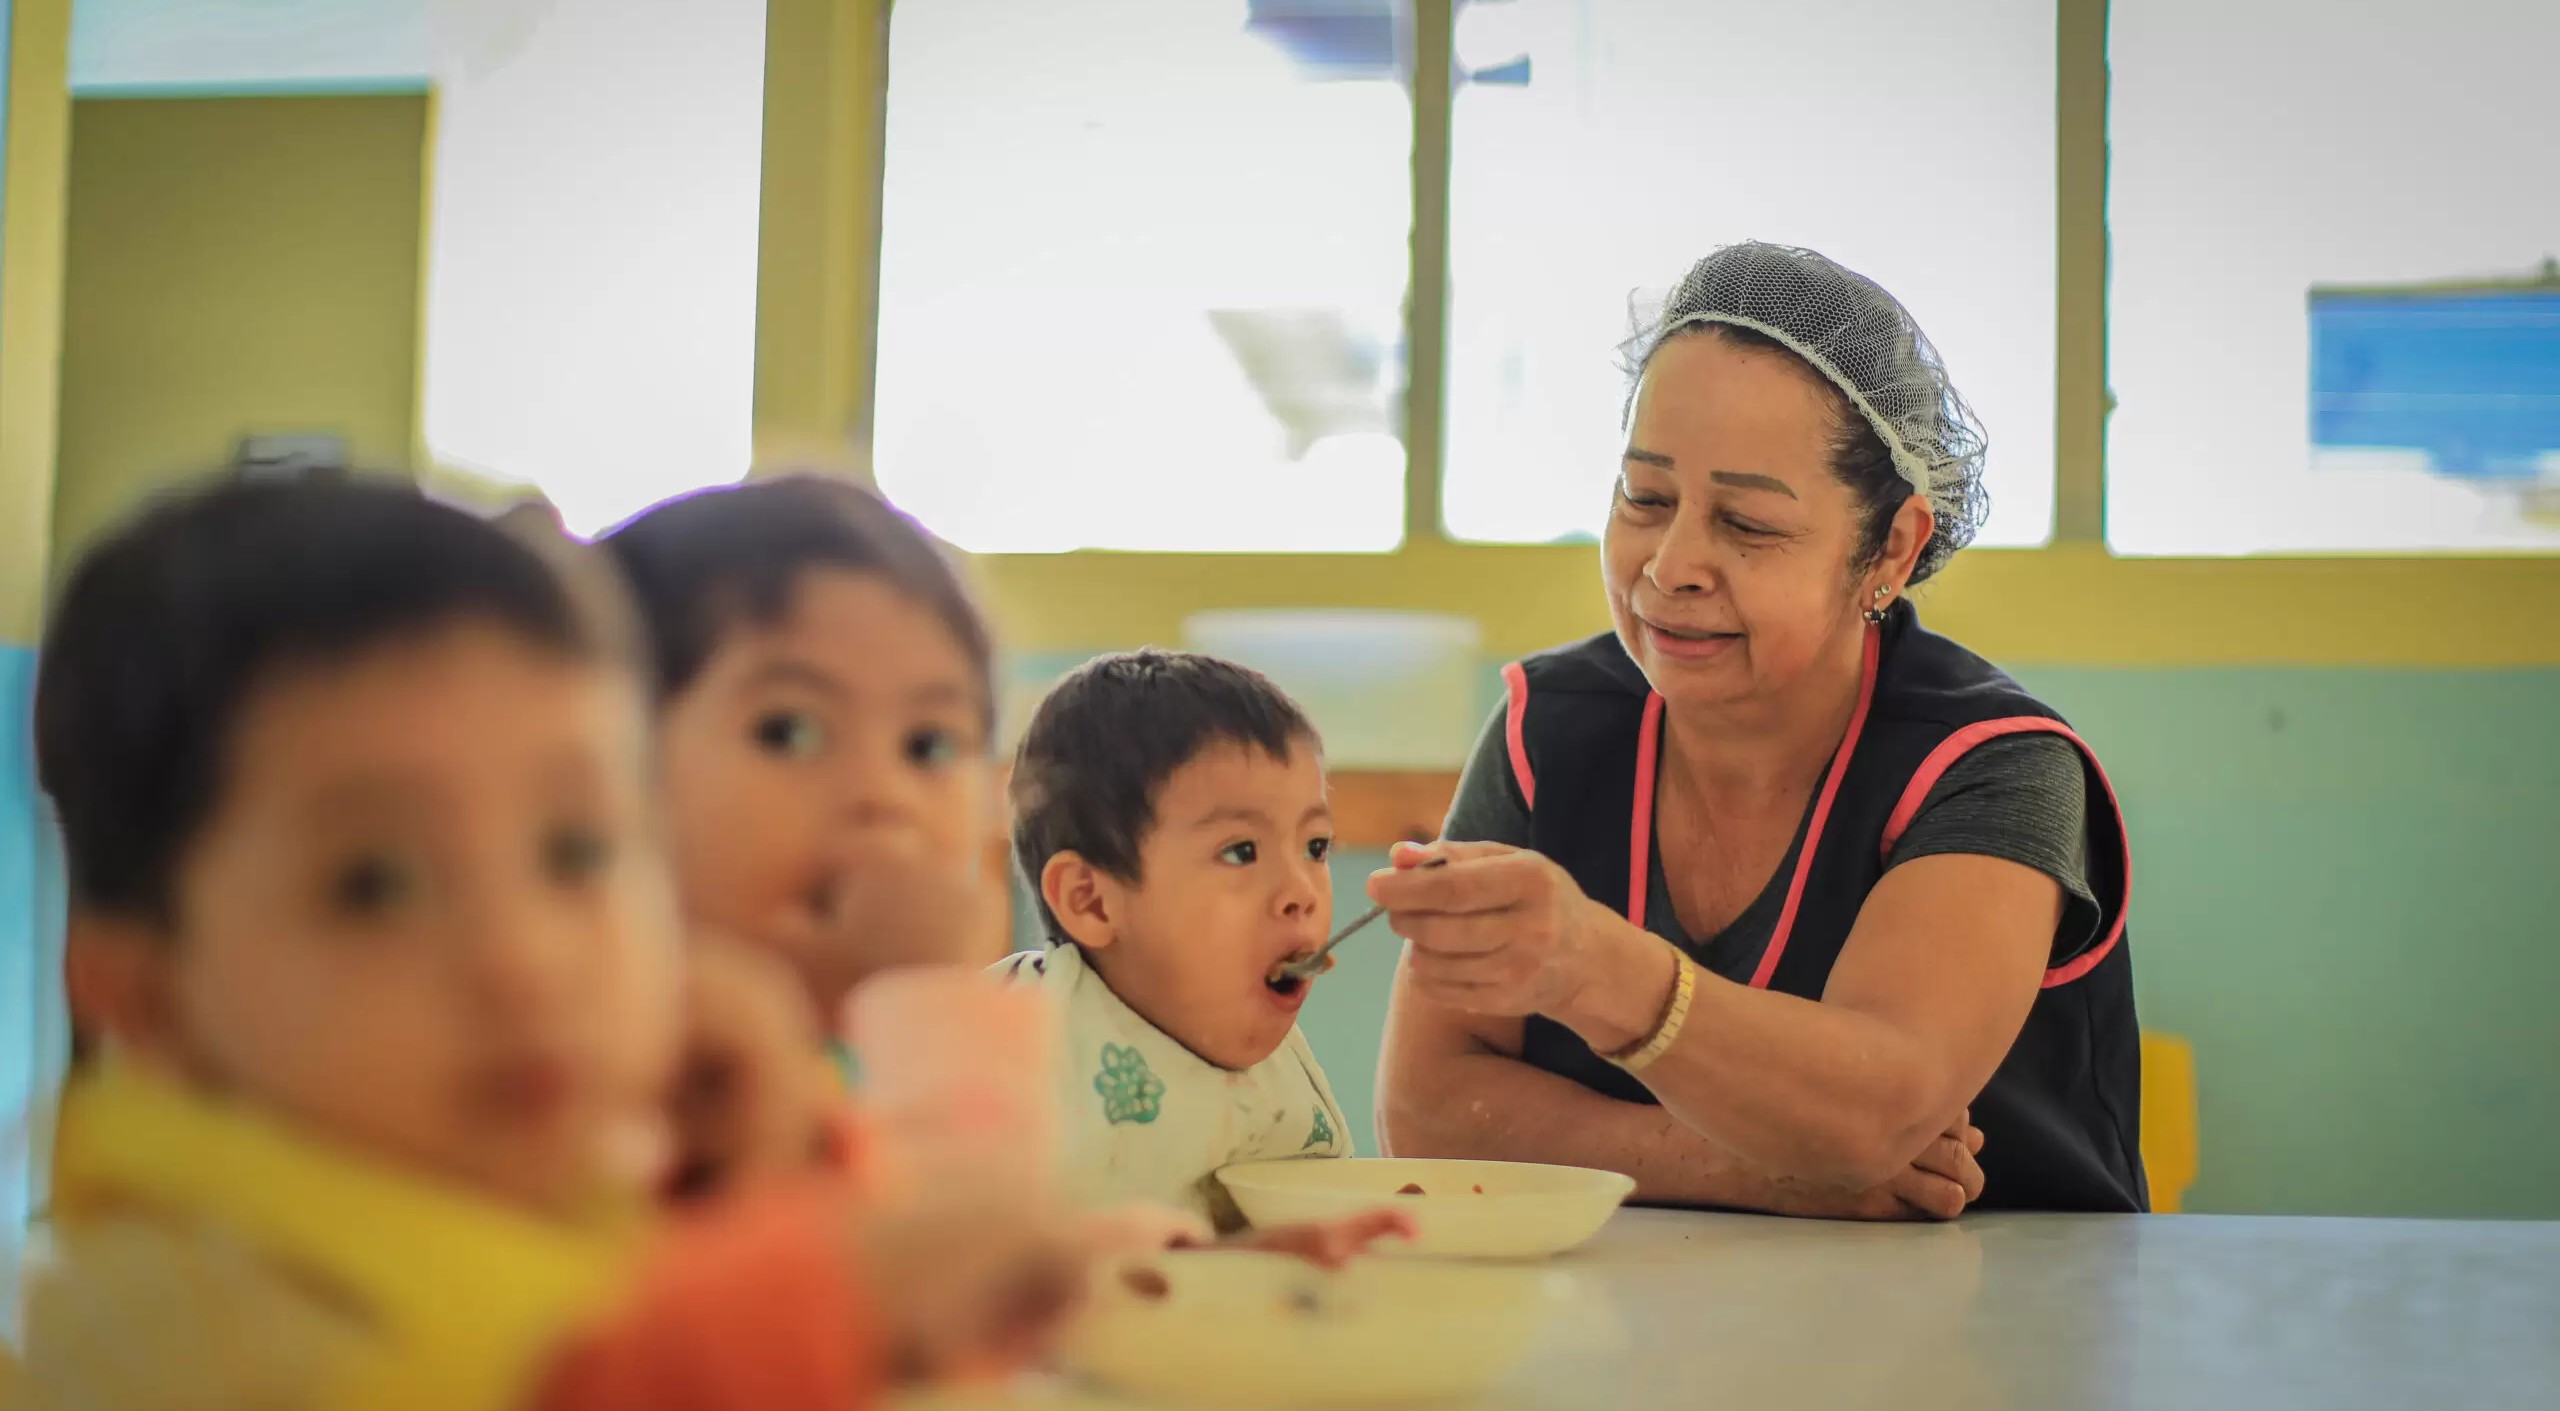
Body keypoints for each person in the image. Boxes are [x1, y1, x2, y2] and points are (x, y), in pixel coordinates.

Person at [20, 474, 1085, 1410]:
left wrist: (793, 1149)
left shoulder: (518, 1157)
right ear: (149, 995)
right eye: (376, 885)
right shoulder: (186, 1307)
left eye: (574, 853)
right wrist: (843, 1288)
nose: (522, 958)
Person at [1372, 242, 2144, 1216]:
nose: (1670, 566)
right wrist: (1756, 1170)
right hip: (1661, 1335)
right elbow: (1429, 1110)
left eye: (1746, 523)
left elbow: (1878, 1110)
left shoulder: (1993, 768)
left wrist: (1597, 968)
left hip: (2000, 1331)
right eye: (1644, 499)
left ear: (1890, 549)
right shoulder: (1550, 731)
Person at [997, 651, 1361, 1226]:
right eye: (1241, 851)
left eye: (1316, 847)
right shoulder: (1025, 1056)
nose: (1303, 892)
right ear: (1091, 900)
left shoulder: (1264, 1058)